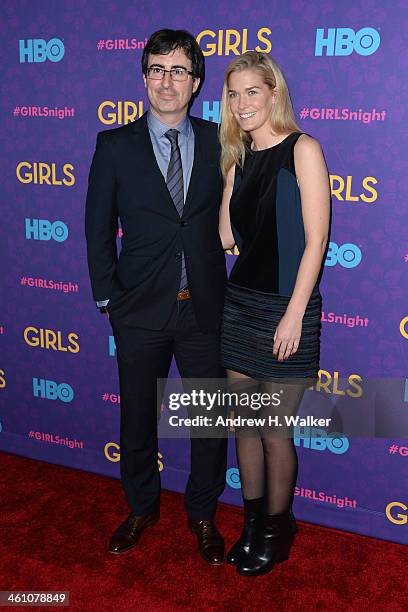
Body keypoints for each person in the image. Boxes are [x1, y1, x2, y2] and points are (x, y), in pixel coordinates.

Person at [85, 29, 228, 565]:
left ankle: (202, 514)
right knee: (137, 420)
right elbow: (97, 229)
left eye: (179, 71)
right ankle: (142, 507)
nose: (167, 81)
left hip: (205, 309)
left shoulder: (220, 140)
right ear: (144, 77)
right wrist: (108, 300)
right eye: (157, 69)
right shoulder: (114, 146)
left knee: (209, 422)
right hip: (138, 312)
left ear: (195, 83)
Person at [218, 50, 330, 576]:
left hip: (288, 308)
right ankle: (251, 523)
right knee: (244, 426)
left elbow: (315, 243)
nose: (242, 103)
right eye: (234, 94)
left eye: (252, 92)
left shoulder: (303, 149)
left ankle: (277, 529)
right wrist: (226, 174)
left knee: (273, 430)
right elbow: (226, 237)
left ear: (274, 93)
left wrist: (293, 314)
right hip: (239, 305)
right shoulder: (237, 157)